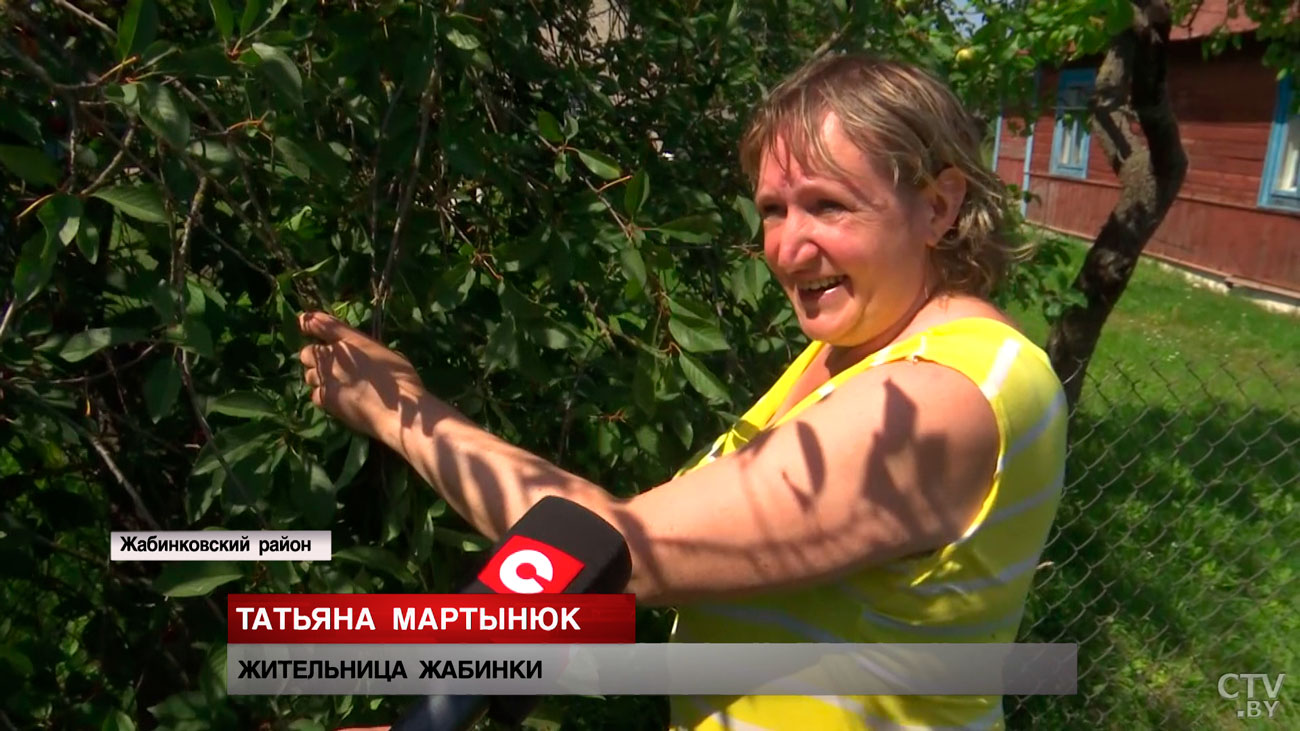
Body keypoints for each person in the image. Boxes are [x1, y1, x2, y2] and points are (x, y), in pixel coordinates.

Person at [300, 53, 1067, 731]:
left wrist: (402, 414)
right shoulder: (848, 354)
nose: (787, 247)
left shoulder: (940, 398)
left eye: (829, 205)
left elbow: (611, 550)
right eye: (773, 209)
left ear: (938, 205)